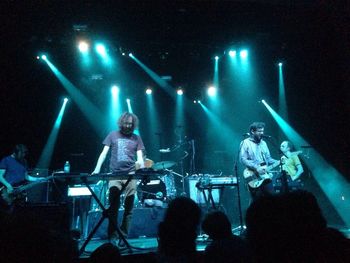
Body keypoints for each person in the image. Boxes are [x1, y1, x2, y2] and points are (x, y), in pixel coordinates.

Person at [92, 112, 145, 245]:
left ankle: (123, 236)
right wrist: (97, 169)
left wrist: (142, 169)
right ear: (121, 123)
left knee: (129, 208)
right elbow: (103, 153)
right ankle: (113, 237)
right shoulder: (112, 135)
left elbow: (140, 159)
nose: (128, 126)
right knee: (113, 208)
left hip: (131, 176)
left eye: (130, 124)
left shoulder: (136, 138)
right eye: (126, 123)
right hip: (114, 176)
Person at [239, 122, 279, 200]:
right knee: (256, 201)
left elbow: (268, 159)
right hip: (253, 175)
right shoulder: (245, 143)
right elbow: (243, 159)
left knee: (273, 198)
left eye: (262, 131)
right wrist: (256, 167)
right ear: (252, 131)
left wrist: (278, 161)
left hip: (265, 176)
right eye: (259, 131)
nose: (262, 133)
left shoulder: (264, 143)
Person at [0, 144, 41, 208]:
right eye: (22, 153)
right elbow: (0, 176)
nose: (23, 155)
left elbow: (26, 177)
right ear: (15, 152)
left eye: (24, 153)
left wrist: (38, 179)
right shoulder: (6, 160)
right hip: (8, 192)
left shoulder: (24, 161)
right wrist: (8, 185)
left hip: (20, 193)